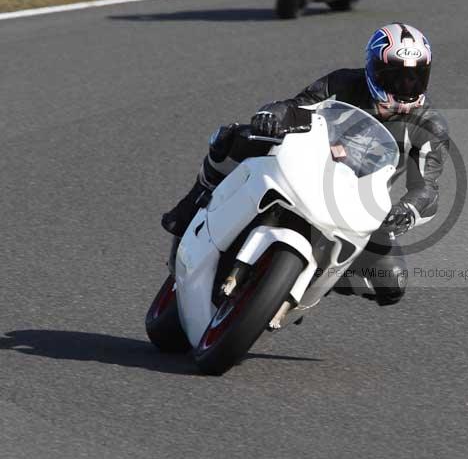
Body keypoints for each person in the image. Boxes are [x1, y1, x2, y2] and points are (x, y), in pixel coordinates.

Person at [162, 22, 449, 306]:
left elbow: (427, 188)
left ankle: (315, 281)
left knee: (392, 282)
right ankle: (191, 203)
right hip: (308, 163)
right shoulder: (344, 82)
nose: (406, 86)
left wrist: (407, 211)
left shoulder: (430, 125)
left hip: (357, 202)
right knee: (234, 137)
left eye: (415, 78)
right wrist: (273, 116)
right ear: (374, 70)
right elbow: (297, 106)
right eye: (396, 77)